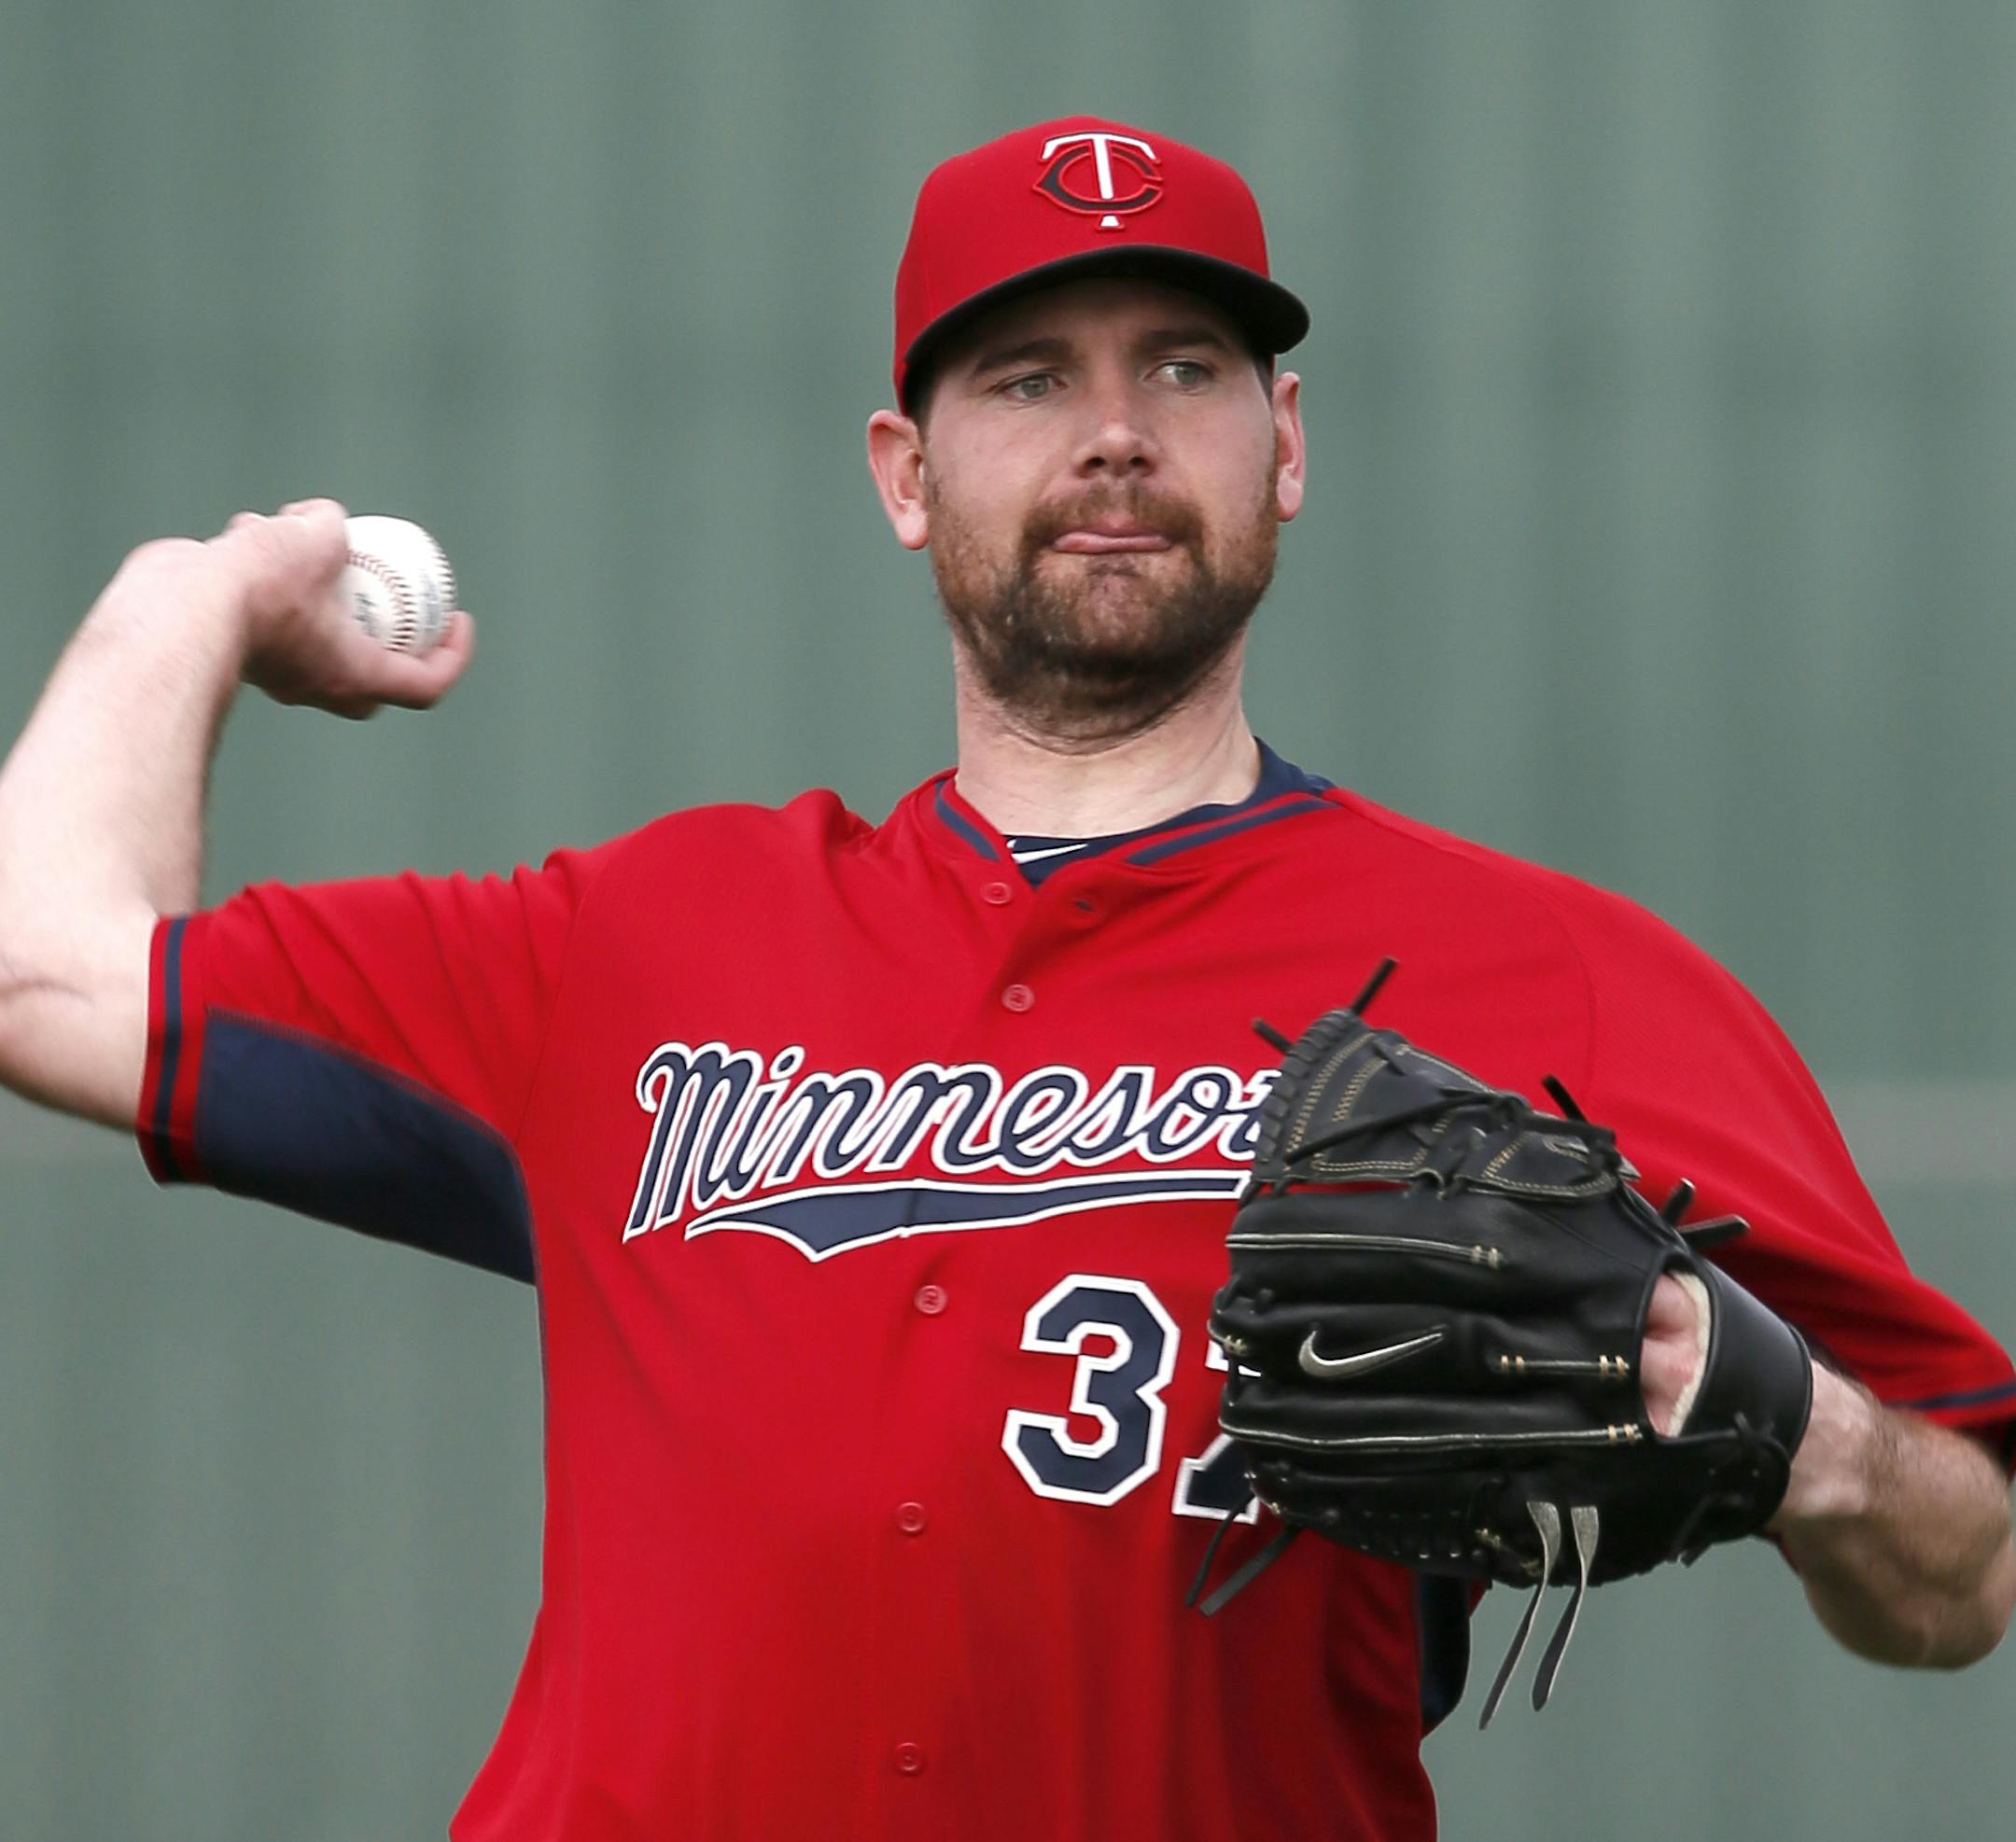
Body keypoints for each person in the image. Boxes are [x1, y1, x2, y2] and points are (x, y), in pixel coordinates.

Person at [0, 114, 2010, 1842]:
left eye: (1190, 367)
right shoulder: (624, 950)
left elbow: (1967, 1568)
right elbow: (44, 977)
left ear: (1284, 443)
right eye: (1029, 377)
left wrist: (1795, 1433)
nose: (1118, 434)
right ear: (905, 471)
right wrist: (196, 600)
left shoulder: (1553, 978)